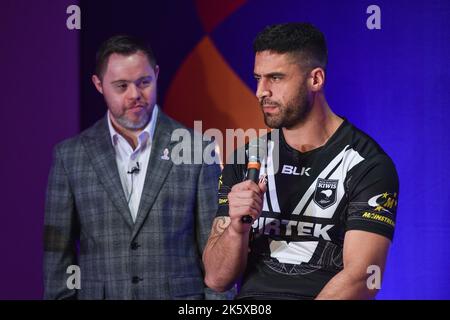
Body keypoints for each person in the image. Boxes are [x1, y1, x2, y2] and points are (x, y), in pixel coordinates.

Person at [203, 23, 399, 300]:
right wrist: (237, 227)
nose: (261, 91)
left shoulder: (368, 165)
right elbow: (216, 279)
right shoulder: (246, 159)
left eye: (276, 78)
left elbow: (363, 277)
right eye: (258, 78)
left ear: (315, 79)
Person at [43, 35, 223, 299]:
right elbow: (57, 257)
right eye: (121, 86)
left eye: (144, 82)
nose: (135, 95)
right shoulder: (69, 156)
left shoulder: (198, 150)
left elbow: (219, 252)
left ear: (157, 74)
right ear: (98, 84)